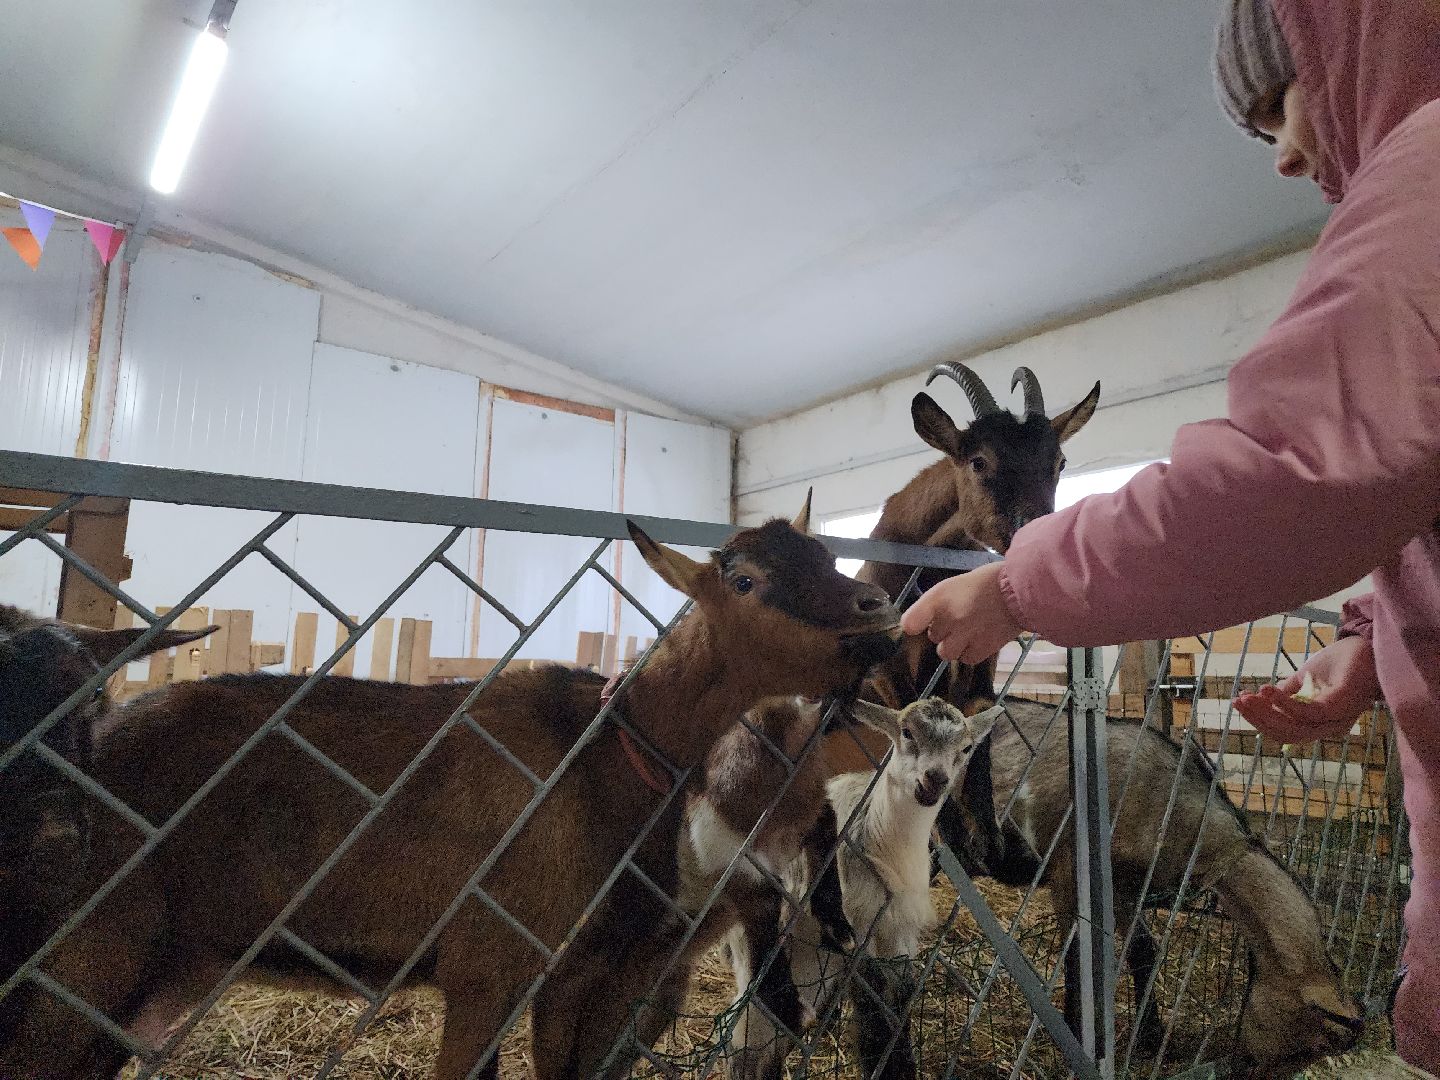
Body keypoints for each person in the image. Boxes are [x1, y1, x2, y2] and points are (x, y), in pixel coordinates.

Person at [900, 0, 1440, 1069]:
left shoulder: (1424, 182)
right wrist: (1373, 634)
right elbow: (1400, 476)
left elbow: (1295, 471)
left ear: (1348, 46)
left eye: (1280, 107)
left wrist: (1016, 584)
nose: (1286, 156)